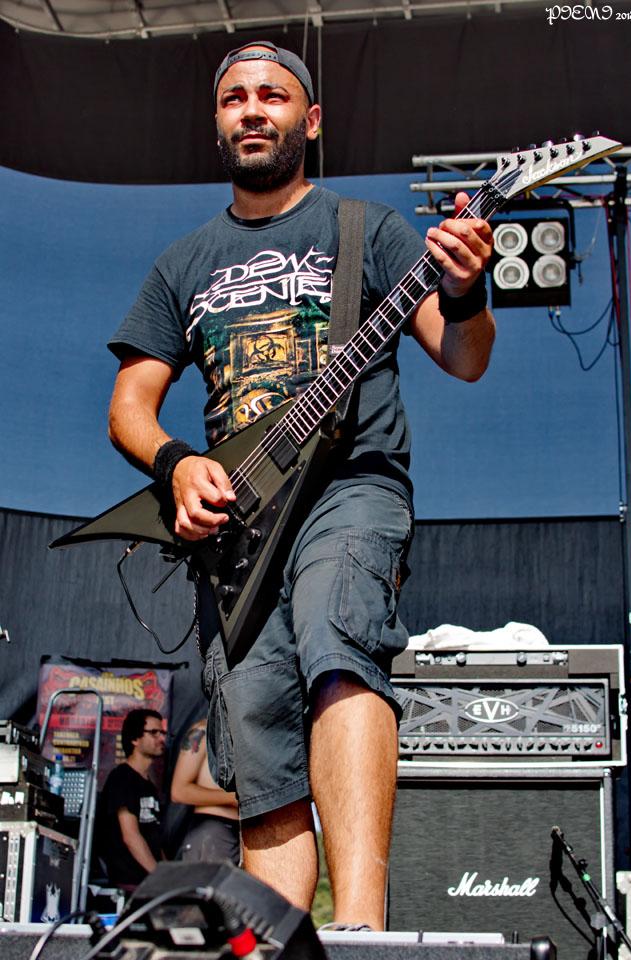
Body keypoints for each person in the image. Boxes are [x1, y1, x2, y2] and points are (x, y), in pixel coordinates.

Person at [107, 40, 495, 928]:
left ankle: (359, 933)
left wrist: (468, 291)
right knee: (259, 740)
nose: (253, 109)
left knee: (337, 638)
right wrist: (177, 465)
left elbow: (465, 356)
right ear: (218, 122)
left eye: (273, 96)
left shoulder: (369, 231)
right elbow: (129, 406)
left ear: (309, 120)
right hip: (240, 529)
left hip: (350, 487)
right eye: (235, 97)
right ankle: (285, 945)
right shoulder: (183, 262)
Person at [99, 708, 166, 889]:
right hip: (129, 883)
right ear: (135, 739)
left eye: (163, 733)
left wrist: (168, 874)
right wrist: (161, 878)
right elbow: (131, 836)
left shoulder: (149, 785)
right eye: (154, 732)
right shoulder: (122, 778)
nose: (162, 738)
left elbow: (154, 838)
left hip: (148, 882)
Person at [171, 718, 240, 864]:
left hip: (246, 832)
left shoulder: (248, 730)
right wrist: (233, 798)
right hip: (212, 831)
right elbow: (179, 791)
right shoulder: (203, 730)